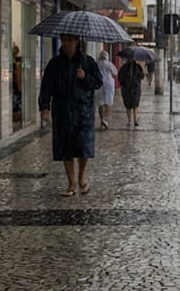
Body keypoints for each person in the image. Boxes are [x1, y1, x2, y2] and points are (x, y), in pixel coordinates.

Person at [38, 33, 103, 197]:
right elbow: (46, 86)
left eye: (69, 40)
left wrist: (85, 77)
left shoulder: (87, 62)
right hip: (62, 111)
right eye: (64, 40)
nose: (66, 43)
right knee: (66, 146)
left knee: (83, 146)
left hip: (83, 111)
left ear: (76, 41)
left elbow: (98, 82)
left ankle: (82, 177)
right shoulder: (55, 64)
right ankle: (71, 182)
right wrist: (44, 107)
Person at [118, 55, 145, 126]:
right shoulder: (138, 67)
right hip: (136, 88)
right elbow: (142, 76)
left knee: (128, 106)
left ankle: (129, 121)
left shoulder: (123, 67)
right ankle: (135, 120)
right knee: (135, 105)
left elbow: (120, 77)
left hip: (126, 88)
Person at [96, 50, 118, 130]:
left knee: (100, 103)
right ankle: (105, 120)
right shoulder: (109, 64)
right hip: (109, 84)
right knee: (108, 102)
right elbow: (115, 73)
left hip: (99, 84)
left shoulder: (96, 63)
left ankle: (102, 120)